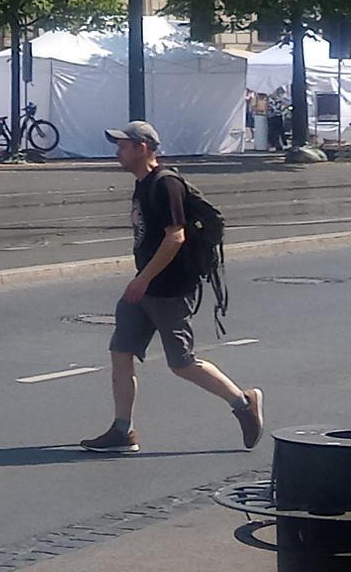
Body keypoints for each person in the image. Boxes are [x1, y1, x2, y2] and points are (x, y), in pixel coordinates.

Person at [79, 121, 262, 455]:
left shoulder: (165, 185)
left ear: (142, 148)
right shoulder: (143, 184)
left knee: (181, 362)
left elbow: (175, 236)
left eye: (123, 146)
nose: (118, 152)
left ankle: (243, 403)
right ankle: (123, 430)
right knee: (121, 352)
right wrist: (140, 281)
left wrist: (143, 279)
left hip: (168, 288)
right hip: (144, 286)